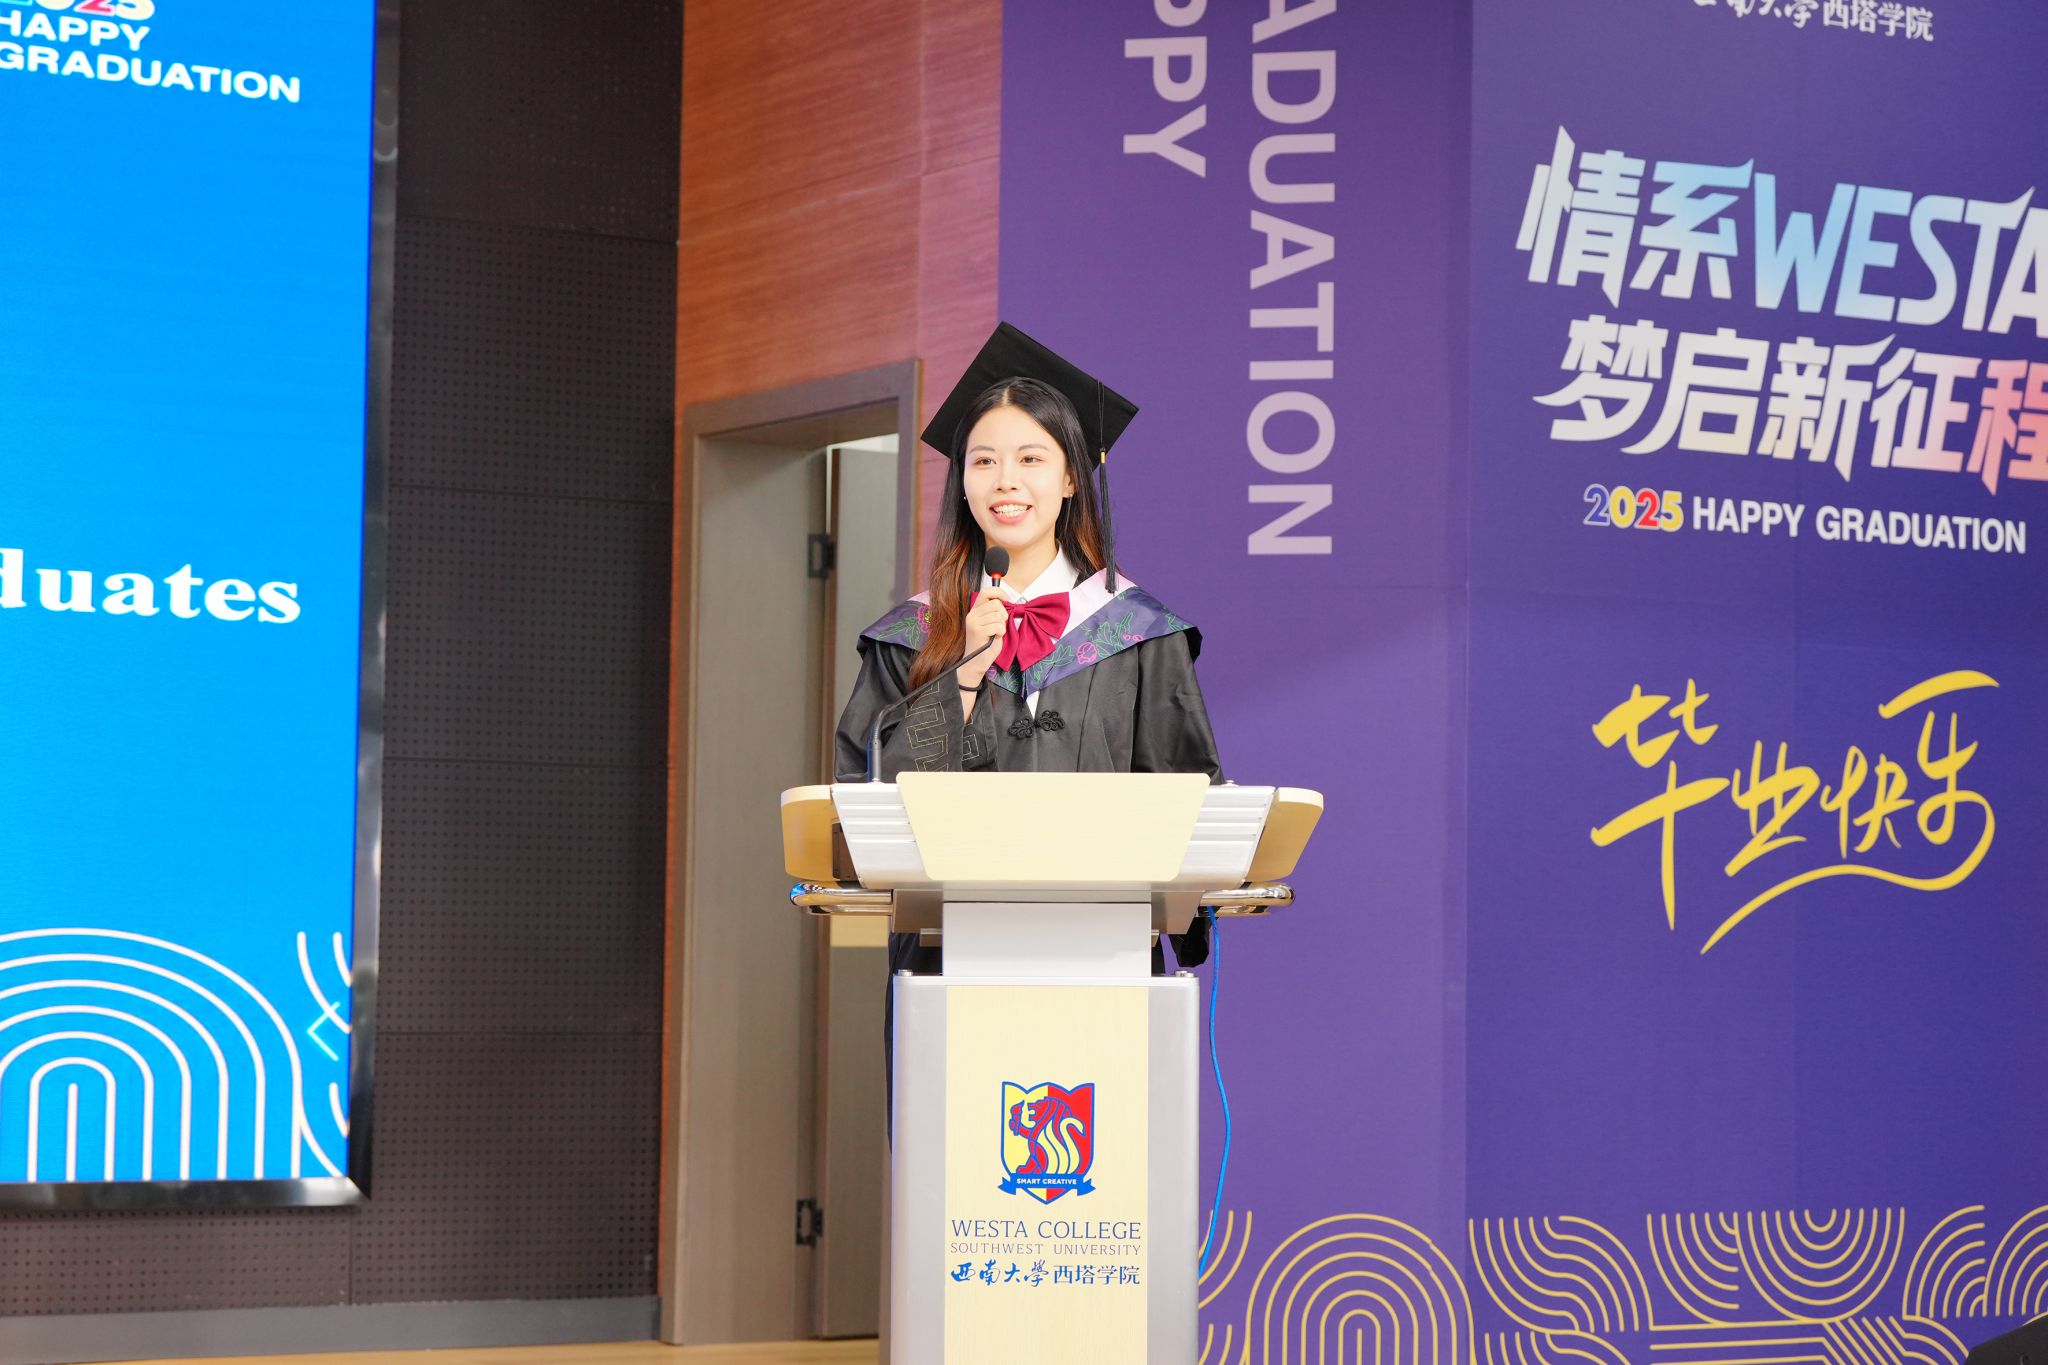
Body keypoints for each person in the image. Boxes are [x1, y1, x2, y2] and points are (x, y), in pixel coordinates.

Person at [833, 322, 1223, 990]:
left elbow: (1187, 799)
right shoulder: (911, 635)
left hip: (1107, 957)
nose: (1005, 482)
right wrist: (961, 677)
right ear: (963, 483)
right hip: (947, 960)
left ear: (1071, 478)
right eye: (983, 461)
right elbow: (864, 799)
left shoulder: (1138, 632)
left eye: (1031, 459)